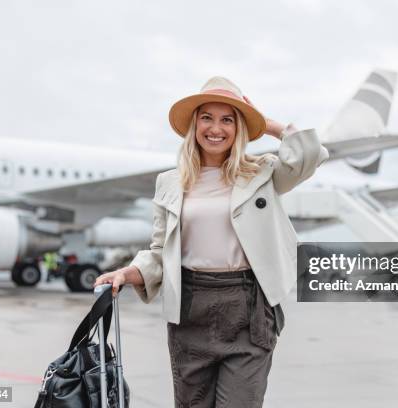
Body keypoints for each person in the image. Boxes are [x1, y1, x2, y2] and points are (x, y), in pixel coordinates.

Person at [94, 76, 329, 407]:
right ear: (194, 124)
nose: (215, 128)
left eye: (227, 119)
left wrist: (267, 123)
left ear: (239, 129)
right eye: (207, 117)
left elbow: (310, 154)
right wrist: (127, 273)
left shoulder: (263, 172)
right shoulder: (170, 183)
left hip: (248, 307)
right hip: (191, 308)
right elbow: (161, 251)